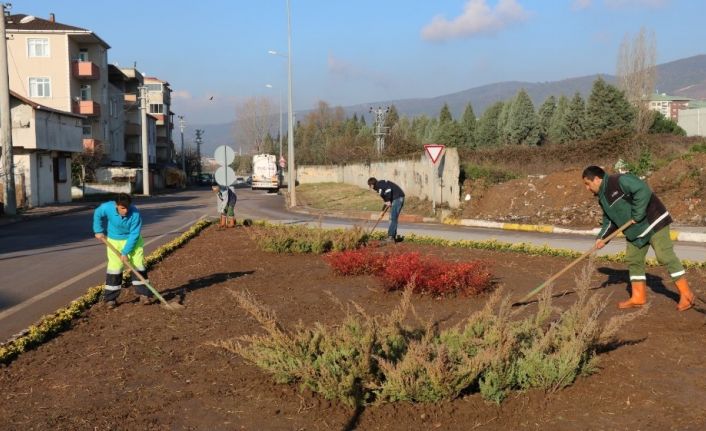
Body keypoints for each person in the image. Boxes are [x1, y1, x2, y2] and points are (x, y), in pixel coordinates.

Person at [582, 165, 695, 311]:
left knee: (664, 256)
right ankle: (638, 297)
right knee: (633, 259)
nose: (587, 188)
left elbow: (642, 190)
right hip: (635, 233)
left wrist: (638, 214)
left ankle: (687, 295)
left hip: (654, 222)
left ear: (597, 179)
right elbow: (609, 221)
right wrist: (602, 238)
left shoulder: (619, 180)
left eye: (587, 184)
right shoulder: (602, 198)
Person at [93, 193, 152, 308]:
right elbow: (97, 213)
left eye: (127, 208)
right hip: (114, 241)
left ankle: (144, 295)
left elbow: (134, 234)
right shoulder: (107, 207)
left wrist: (125, 252)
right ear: (116, 206)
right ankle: (110, 299)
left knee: (138, 266)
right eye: (122, 208)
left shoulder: (135, 213)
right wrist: (98, 230)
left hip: (133, 242)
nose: (125, 211)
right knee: (115, 269)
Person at [368, 177, 405, 242]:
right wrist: (382, 212)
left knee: (392, 217)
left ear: (372, 185)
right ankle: (392, 236)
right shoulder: (379, 190)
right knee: (392, 217)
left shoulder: (380, 184)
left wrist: (388, 200)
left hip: (398, 198)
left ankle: (391, 237)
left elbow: (388, 189)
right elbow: (386, 201)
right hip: (395, 199)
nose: (370, 188)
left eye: (370, 186)